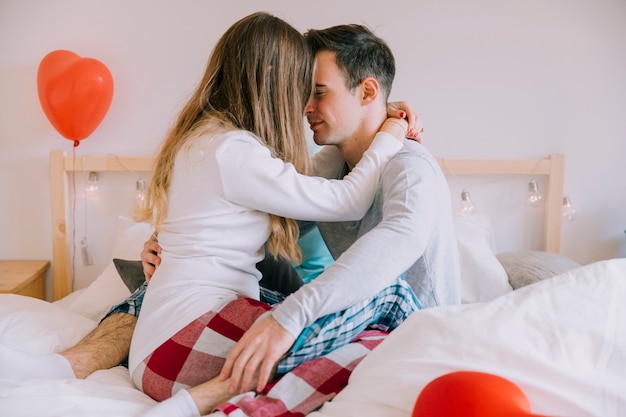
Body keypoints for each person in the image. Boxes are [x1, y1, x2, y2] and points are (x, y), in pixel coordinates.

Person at [140, 21, 460, 416]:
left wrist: (288, 318)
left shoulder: (410, 168)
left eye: (319, 93)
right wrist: (165, 243)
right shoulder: (326, 166)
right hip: (339, 323)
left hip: (416, 332)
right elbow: (265, 210)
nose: (306, 106)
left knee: (382, 291)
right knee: (283, 300)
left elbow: (396, 238)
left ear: (367, 91)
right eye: (304, 92)